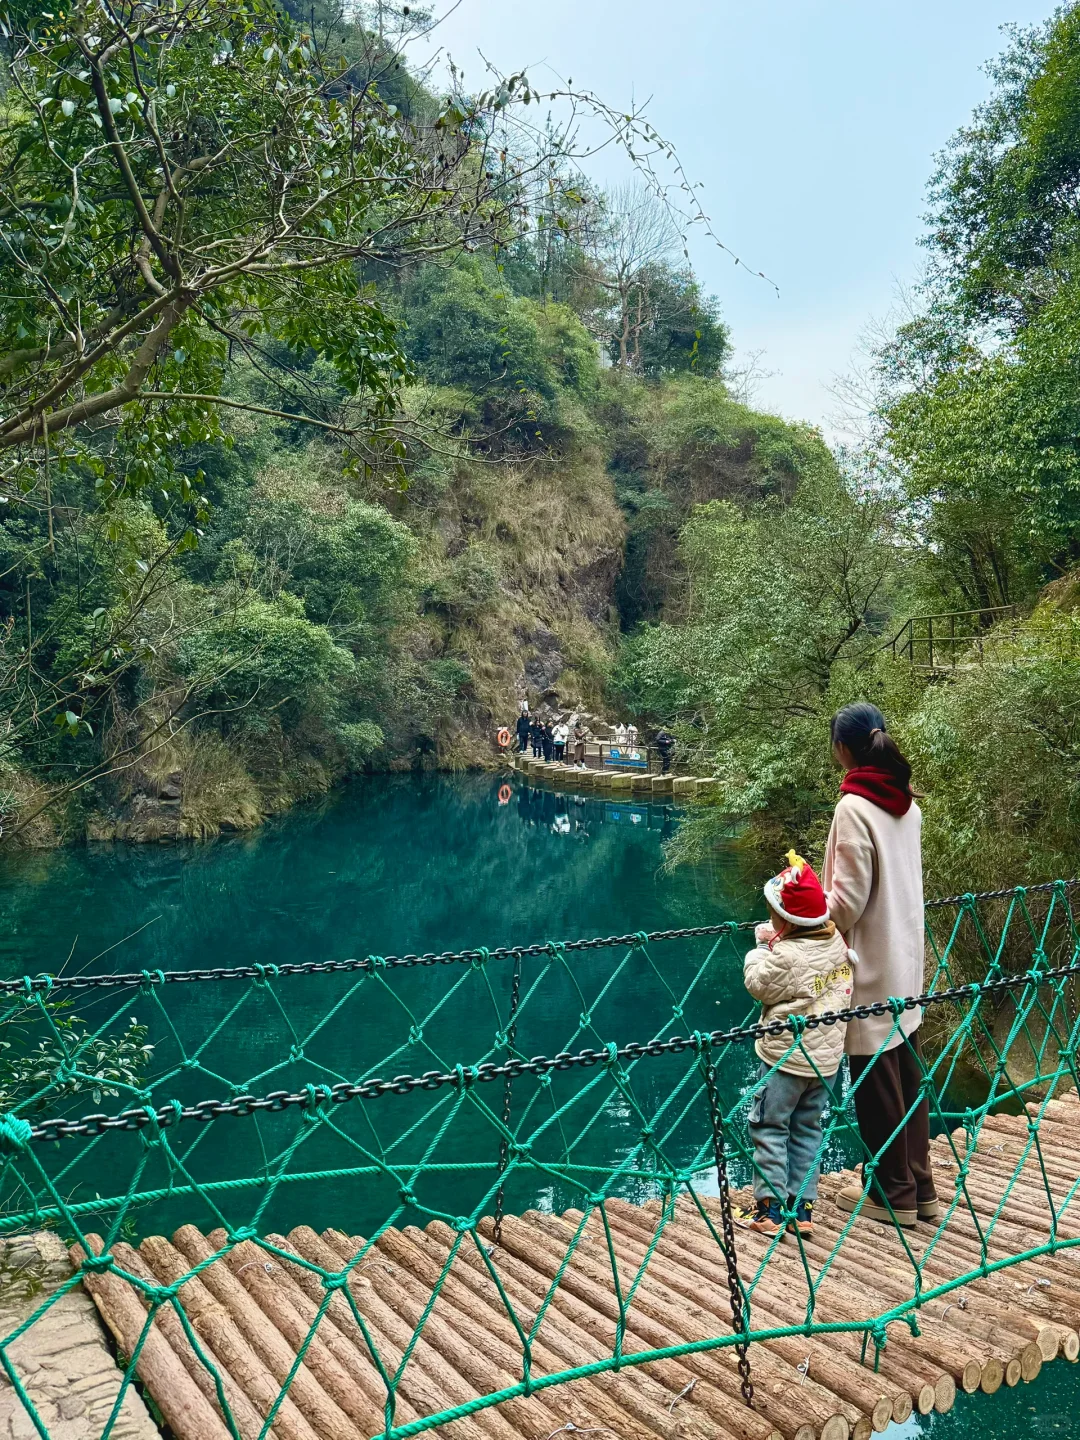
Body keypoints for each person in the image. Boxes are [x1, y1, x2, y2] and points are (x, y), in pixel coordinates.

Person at [823, 702, 937, 1228]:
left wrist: (797, 910)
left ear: (843, 750)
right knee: (907, 1070)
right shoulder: (905, 803)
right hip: (906, 954)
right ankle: (921, 1185)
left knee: (873, 1077)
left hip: (869, 957)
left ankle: (893, 1196)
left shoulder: (854, 807)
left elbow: (845, 901)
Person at [739, 852, 857, 1236]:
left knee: (770, 1126)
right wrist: (775, 939)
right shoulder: (836, 941)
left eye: (774, 914)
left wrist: (759, 949)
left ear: (785, 921)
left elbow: (759, 982)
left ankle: (770, 1212)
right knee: (808, 1127)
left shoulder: (785, 955)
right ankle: (801, 1209)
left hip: (784, 1061)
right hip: (825, 1065)